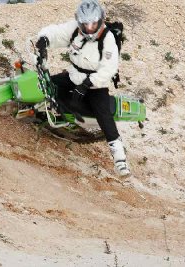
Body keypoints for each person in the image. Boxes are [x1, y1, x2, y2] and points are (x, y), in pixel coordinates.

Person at [35, 0, 130, 176]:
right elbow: (57, 32)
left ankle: (119, 158)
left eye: (93, 23)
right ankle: (55, 115)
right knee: (47, 86)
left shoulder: (108, 39)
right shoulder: (75, 30)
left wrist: (87, 85)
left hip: (96, 83)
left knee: (103, 114)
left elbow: (109, 69)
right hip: (74, 75)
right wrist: (43, 39)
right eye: (85, 24)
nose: (89, 28)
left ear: (100, 21)